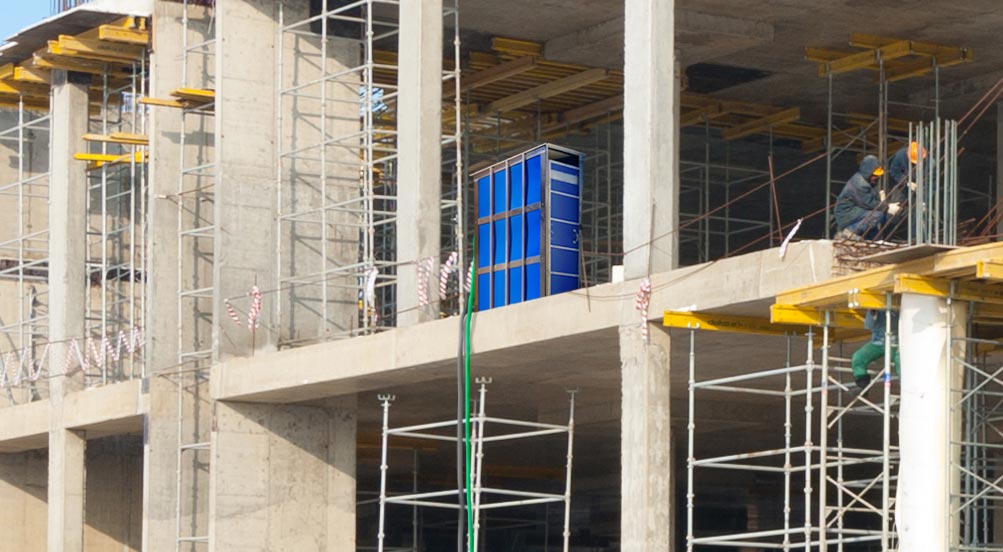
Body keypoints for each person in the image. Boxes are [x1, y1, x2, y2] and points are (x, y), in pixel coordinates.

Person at [834, 155, 901, 240]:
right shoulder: (860, 184)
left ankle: (872, 239)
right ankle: (849, 232)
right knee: (877, 215)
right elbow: (868, 204)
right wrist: (887, 207)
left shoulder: (868, 181)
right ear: (868, 172)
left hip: (858, 210)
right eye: (874, 175)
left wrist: (882, 202)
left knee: (876, 233)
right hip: (847, 213)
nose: (876, 177)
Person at [852, 309, 900, 392]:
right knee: (858, 357)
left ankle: (906, 388)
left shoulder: (897, 307)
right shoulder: (874, 308)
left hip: (894, 343)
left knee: (900, 362)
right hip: (878, 342)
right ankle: (863, 385)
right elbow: (868, 325)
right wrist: (872, 313)